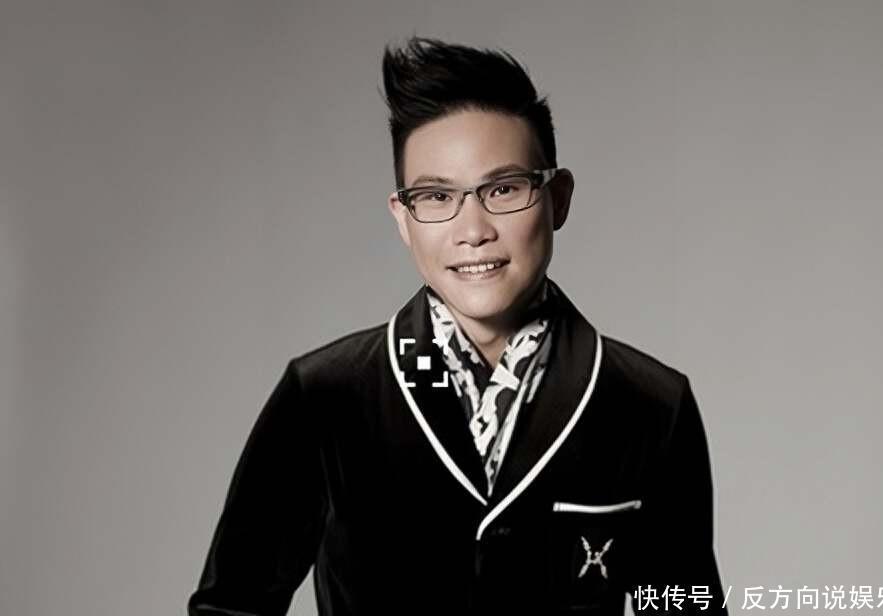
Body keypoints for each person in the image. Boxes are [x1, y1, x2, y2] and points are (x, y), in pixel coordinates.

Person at [187, 37, 727, 616]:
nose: (473, 230)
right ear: (403, 218)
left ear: (558, 198)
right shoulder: (326, 395)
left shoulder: (650, 404)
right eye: (436, 196)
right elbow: (230, 607)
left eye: (503, 189)